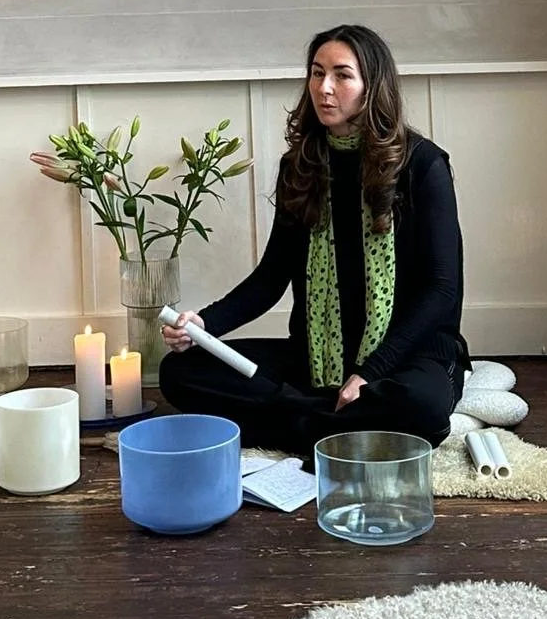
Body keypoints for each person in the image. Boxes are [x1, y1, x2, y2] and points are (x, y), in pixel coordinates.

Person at [157, 24, 466, 460]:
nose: (325, 88)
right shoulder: (302, 165)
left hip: (405, 357)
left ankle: (299, 419)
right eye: (317, 73)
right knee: (180, 372)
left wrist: (369, 372)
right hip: (315, 357)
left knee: (424, 407)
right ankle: (333, 424)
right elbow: (271, 277)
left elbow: (441, 289)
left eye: (342, 75)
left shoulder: (422, 165)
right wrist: (204, 326)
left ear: (371, 87)